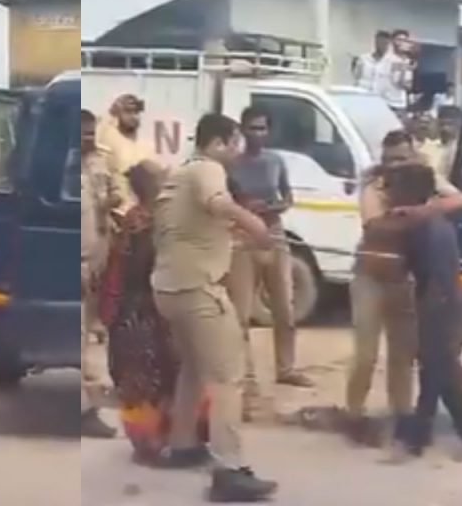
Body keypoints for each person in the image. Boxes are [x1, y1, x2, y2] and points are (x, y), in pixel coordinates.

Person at [151, 113, 277, 503]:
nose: (240, 150)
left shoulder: (179, 174)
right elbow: (217, 202)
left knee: (193, 368)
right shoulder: (208, 169)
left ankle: (183, 444)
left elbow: (194, 231)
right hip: (196, 289)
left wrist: (236, 239)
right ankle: (230, 469)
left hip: (170, 288)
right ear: (219, 143)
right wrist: (256, 226)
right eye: (236, 142)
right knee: (227, 376)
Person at [346, 130, 462, 444]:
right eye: (390, 159)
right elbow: (374, 226)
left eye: (402, 158)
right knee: (366, 354)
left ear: (413, 155)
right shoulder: (376, 185)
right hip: (371, 277)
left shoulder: (421, 182)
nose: (395, 165)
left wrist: (421, 210)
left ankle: (402, 420)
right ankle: (354, 416)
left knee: (403, 356)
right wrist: (418, 213)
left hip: (405, 281)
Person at [106, 159, 206, 463]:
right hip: (147, 309)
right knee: (157, 375)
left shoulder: (135, 219)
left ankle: (156, 440)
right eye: (164, 178)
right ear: (154, 188)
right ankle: (156, 443)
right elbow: (145, 268)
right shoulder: (151, 224)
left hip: (134, 309)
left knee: (147, 378)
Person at [384, 163, 462, 461]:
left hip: (439, 303)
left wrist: (431, 307)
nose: (390, 193)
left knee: (434, 372)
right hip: (436, 301)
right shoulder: (423, 219)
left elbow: (439, 274)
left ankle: (416, 440)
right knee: (441, 371)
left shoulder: (428, 225)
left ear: (413, 191)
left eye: (396, 186)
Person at [226, 106, 312, 388]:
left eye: (262, 128)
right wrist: (245, 208)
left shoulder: (275, 161)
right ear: (242, 130)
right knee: (240, 312)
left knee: (285, 308)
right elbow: (224, 201)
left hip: (274, 234)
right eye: (252, 128)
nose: (257, 134)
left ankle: (286, 368)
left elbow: (288, 197)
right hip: (243, 237)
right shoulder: (232, 164)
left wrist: (273, 206)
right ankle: (245, 374)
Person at [80, 108, 121, 439]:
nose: (88, 139)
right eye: (82, 133)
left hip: (96, 250)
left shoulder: (102, 161)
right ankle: (83, 410)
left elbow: (112, 197)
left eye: (92, 132)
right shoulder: (65, 167)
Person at [98, 94, 155, 216]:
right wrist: (111, 113)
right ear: (118, 114)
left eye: (136, 112)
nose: (133, 117)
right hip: (117, 212)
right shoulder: (109, 138)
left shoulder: (147, 146)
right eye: (128, 112)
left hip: (142, 214)